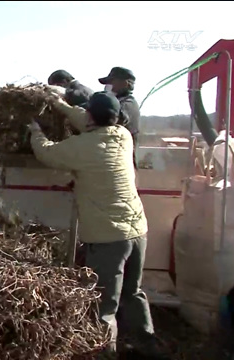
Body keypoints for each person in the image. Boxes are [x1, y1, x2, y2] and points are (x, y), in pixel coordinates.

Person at [28, 92, 169, 359]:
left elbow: (47, 153)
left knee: (105, 304)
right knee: (133, 291)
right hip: (138, 230)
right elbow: (88, 121)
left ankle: (104, 353)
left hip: (108, 237)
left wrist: (36, 131)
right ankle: (148, 345)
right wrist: (62, 106)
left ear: (92, 116)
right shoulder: (123, 136)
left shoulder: (82, 147)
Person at [98, 67, 140, 148]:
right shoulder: (119, 101)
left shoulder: (128, 103)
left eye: (111, 82)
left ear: (125, 83)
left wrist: (106, 98)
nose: (108, 86)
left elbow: (117, 118)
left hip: (124, 155)